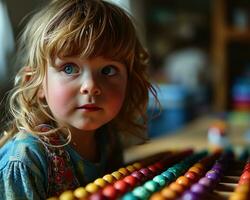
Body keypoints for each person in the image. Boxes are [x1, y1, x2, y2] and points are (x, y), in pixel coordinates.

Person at [0, 0, 157, 199]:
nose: (90, 86)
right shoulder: (26, 159)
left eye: (108, 70)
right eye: (69, 68)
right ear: (37, 84)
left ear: (129, 81)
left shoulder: (107, 137)